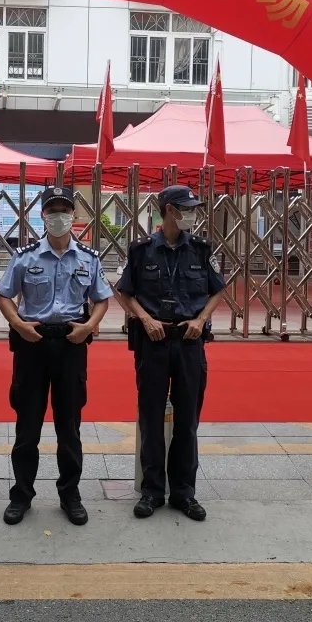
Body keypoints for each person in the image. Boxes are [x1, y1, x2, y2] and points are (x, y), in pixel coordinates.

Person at [0, 187, 113, 526]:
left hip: (71, 343)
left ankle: (70, 494)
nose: (59, 216)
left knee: (69, 426)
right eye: (52, 211)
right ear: (42, 216)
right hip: (32, 343)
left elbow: (102, 298)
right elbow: (3, 295)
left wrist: (89, 326)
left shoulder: (88, 258)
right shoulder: (26, 256)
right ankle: (21, 495)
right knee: (27, 426)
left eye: (65, 210)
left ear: (73, 216)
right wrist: (18, 324)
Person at [116, 184, 224, 522]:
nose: (191, 214)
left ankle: (184, 492)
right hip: (154, 342)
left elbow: (217, 290)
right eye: (185, 209)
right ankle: (151, 491)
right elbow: (124, 292)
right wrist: (145, 319)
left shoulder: (201, 249)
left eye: (192, 209)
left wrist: (201, 320)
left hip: (189, 342)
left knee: (187, 420)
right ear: (168, 211)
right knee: (150, 418)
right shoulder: (142, 250)